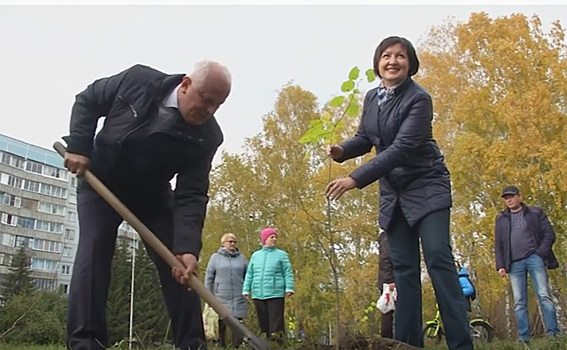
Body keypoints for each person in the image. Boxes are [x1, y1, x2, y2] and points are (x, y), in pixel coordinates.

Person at [62, 61, 232, 350]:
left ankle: (192, 344)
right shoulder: (137, 81)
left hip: (152, 196)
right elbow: (88, 100)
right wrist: (79, 146)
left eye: (218, 105)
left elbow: (191, 193)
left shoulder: (208, 136)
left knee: (179, 266)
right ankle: (85, 343)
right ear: (186, 84)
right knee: (94, 251)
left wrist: (187, 247)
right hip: (101, 182)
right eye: (206, 100)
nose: (210, 110)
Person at [324, 36, 472, 349]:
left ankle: (461, 343)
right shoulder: (371, 97)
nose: (393, 61)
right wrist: (341, 150)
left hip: (427, 185)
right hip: (394, 194)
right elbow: (365, 137)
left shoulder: (419, 99)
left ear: (410, 63)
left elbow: (403, 148)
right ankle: (406, 345)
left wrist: (354, 179)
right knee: (404, 270)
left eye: (400, 56)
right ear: (378, 62)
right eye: (386, 56)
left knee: (437, 258)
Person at [495, 185, 561, 343]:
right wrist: (501, 265)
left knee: (544, 296)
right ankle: (524, 339)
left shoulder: (535, 213)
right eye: (506, 198)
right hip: (514, 264)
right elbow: (499, 244)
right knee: (519, 302)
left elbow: (549, 234)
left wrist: (540, 253)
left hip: (534, 258)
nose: (509, 200)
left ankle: (554, 335)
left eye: (511, 196)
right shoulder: (501, 219)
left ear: (519, 196)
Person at [242, 228, 295, 343]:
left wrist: (289, 288)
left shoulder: (281, 255)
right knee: (263, 323)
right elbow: (250, 273)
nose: (274, 239)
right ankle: (265, 344)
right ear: (264, 239)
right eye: (272, 237)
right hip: (258, 294)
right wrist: (246, 289)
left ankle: (277, 344)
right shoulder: (256, 256)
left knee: (276, 324)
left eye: (275, 237)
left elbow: (288, 272)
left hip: (275, 293)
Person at [204, 233, 249, 348]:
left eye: (234, 242)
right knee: (222, 323)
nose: (233, 244)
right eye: (230, 241)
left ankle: (236, 347)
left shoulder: (242, 258)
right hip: (220, 296)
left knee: (238, 325)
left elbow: (248, 276)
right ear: (223, 243)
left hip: (238, 296)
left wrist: (247, 290)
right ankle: (221, 346)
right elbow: (209, 277)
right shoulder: (215, 258)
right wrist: (208, 295)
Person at [378, 231, 395, 339]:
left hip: (390, 280)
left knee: (389, 313)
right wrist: (389, 281)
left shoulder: (387, 237)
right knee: (388, 312)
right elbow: (385, 260)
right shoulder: (387, 238)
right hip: (390, 283)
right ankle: (387, 343)